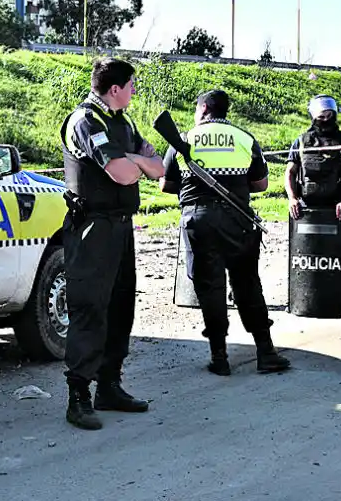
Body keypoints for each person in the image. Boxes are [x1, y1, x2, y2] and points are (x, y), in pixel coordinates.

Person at [58, 57, 166, 430]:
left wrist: (133, 159)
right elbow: (122, 174)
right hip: (92, 228)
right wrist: (135, 161)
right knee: (90, 309)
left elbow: (158, 168)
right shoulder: (86, 121)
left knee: (120, 309)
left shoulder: (124, 122)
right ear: (115, 88)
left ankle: (109, 386)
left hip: (120, 227)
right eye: (131, 85)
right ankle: (78, 397)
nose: (135, 90)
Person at [160, 89, 290, 376]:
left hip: (199, 220)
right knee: (247, 283)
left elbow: (165, 185)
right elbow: (261, 184)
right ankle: (266, 352)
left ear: (204, 109)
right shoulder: (244, 138)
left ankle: (219, 356)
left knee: (210, 287)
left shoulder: (184, 138)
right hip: (237, 220)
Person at [285, 95, 341, 312]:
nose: (326, 119)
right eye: (321, 116)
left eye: (329, 115)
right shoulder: (301, 141)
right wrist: (292, 198)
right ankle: (298, 296)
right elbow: (290, 172)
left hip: (337, 209)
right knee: (303, 254)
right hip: (306, 209)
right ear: (313, 116)